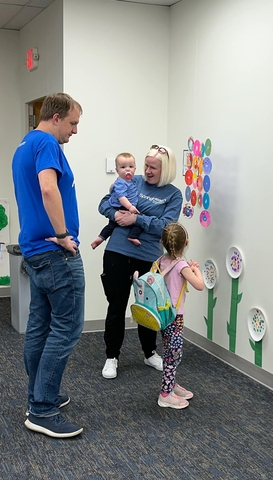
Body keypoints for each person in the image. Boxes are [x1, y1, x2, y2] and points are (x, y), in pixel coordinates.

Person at [12, 93, 85, 438]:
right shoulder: (47, 144)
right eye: (72, 123)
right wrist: (62, 235)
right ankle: (42, 410)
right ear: (56, 118)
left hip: (34, 251)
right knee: (67, 328)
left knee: (40, 325)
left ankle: (38, 396)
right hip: (55, 252)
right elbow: (48, 189)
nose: (74, 131)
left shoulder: (24, 144)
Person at [98, 144, 183, 379]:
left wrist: (137, 218)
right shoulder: (131, 180)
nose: (146, 171)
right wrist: (115, 214)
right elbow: (104, 203)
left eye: (153, 168)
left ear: (165, 170)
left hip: (147, 257)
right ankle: (111, 357)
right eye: (146, 166)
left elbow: (166, 226)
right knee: (116, 306)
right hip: (117, 252)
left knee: (148, 308)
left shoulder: (173, 195)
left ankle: (149, 353)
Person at [156, 222, 204, 409]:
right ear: (186, 243)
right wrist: (195, 269)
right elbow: (199, 285)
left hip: (162, 314)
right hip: (175, 317)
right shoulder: (181, 265)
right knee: (173, 353)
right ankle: (165, 394)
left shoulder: (162, 260)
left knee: (170, 349)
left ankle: (171, 384)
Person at [91, 152, 143, 249]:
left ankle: (100, 238)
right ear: (117, 170)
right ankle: (133, 236)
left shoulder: (131, 181)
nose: (127, 169)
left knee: (112, 225)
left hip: (123, 206)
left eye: (131, 166)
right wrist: (130, 207)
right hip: (121, 206)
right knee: (139, 220)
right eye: (123, 167)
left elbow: (112, 190)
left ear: (135, 169)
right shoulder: (121, 182)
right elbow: (122, 197)